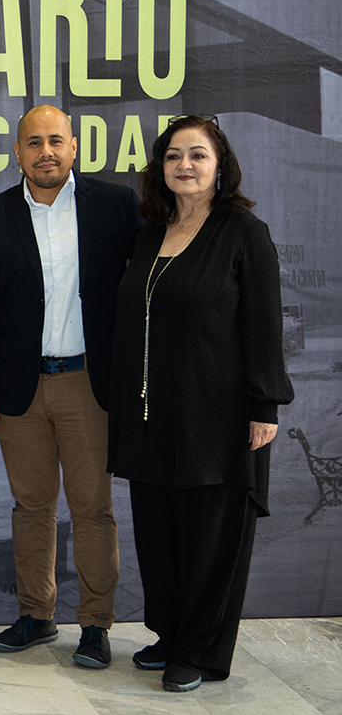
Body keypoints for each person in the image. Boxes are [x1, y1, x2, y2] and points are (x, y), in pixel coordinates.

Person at [107, 115, 292, 693]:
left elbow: (264, 325)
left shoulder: (243, 232)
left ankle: (201, 649)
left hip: (218, 419)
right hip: (149, 418)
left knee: (212, 535)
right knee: (160, 533)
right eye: (172, 156)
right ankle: (169, 633)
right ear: (159, 168)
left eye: (198, 155)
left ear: (220, 166)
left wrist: (266, 405)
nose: (184, 165)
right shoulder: (148, 232)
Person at [0, 104, 140, 667]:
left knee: (91, 508)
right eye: (34, 143)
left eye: (56, 141)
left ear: (75, 147)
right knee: (31, 505)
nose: (46, 153)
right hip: (19, 389)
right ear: (17, 153)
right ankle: (36, 616)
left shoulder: (116, 207)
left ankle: (95, 624)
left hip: (90, 382)